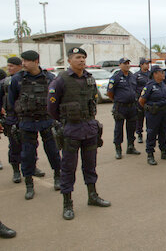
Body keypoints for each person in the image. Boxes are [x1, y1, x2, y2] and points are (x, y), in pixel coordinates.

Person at [47, 47, 110, 220]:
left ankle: (93, 196)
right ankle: (67, 204)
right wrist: (66, 121)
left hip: (89, 128)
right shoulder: (60, 80)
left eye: (83, 57)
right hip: (71, 130)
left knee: (90, 165)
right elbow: (52, 108)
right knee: (68, 168)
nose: (81, 60)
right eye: (77, 57)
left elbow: (93, 102)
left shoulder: (89, 79)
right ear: (69, 60)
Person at [8, 50, 61, 200]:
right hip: (27, 122)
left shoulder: (50, 78)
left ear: (36, 61)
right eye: (22, 61)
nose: (23, 64)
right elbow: (12, 102)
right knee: (27, 155)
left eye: (26, 61)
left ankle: (58, 176)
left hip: (46, 120)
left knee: (53, 151)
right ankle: (29, 185)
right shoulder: (17, 80)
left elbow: (57, 99)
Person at [1, 57, 47, 183]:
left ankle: (33, 167)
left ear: (19, 66)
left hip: (28, 117)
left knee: (31, 146)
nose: (9, 68)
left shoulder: (27, 79)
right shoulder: (5, 82)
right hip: (12, 118)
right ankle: (16, 170)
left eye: (12, 66)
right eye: (8, 66)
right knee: (15, 145)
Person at [138, 65, 166, 165]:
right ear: (155, 74)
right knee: (152, 133)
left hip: (164, 113)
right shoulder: (149, 86)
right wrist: (149, 108)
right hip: (154, 114)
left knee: (163, 132)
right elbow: (141, 100)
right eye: (161, 72)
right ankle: (150, 155)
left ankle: (164, 152)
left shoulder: (163, 84)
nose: (163, 74)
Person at [107, 57, 141, 159]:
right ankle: (118, 149)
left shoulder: (132, 76)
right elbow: (109, 93)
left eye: (128, 63)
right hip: (120, 107)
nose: (127, 65)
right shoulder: (116, 77)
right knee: (118, 129)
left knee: (131, 128)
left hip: (132, 107)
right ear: (120, 65)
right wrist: (118, 100)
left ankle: (131, 147)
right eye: (124, 63)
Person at [135, 58, 151, 143]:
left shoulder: (151, 74)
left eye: (148, 64)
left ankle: (150, 134)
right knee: (140, 118)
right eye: (146, 64)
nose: (147, 65)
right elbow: (134, 87)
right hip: (140, 99)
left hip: (149, 100)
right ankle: (139, 134)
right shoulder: (136, 75)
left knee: (150, 118)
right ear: (141, 65)